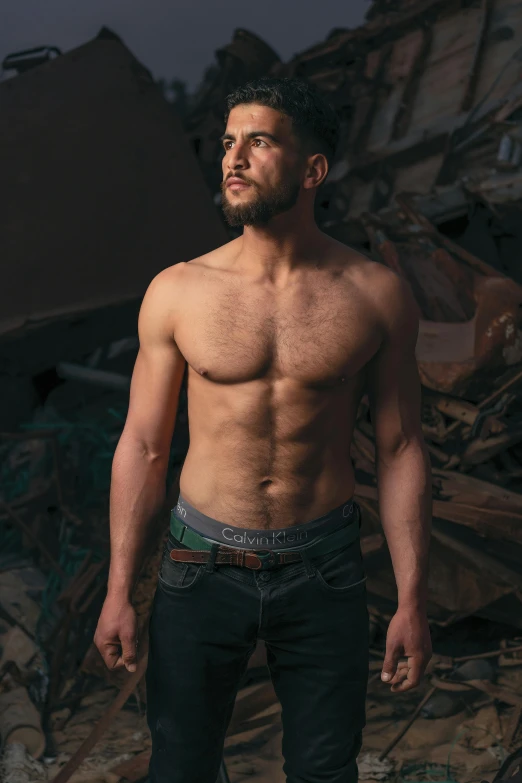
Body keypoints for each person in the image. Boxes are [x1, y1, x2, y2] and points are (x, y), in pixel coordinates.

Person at [94, 77, 432, 783]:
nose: (233, 158)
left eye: (258, 141)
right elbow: (145, 446)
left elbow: (401, 449)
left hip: (324, 568)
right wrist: (119, 587)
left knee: (323, 769)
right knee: (181, 768)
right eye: (226, 142)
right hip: (199, 567)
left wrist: (410, 599)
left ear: (312, 170)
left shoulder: (375, 294)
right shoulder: (178, 291)